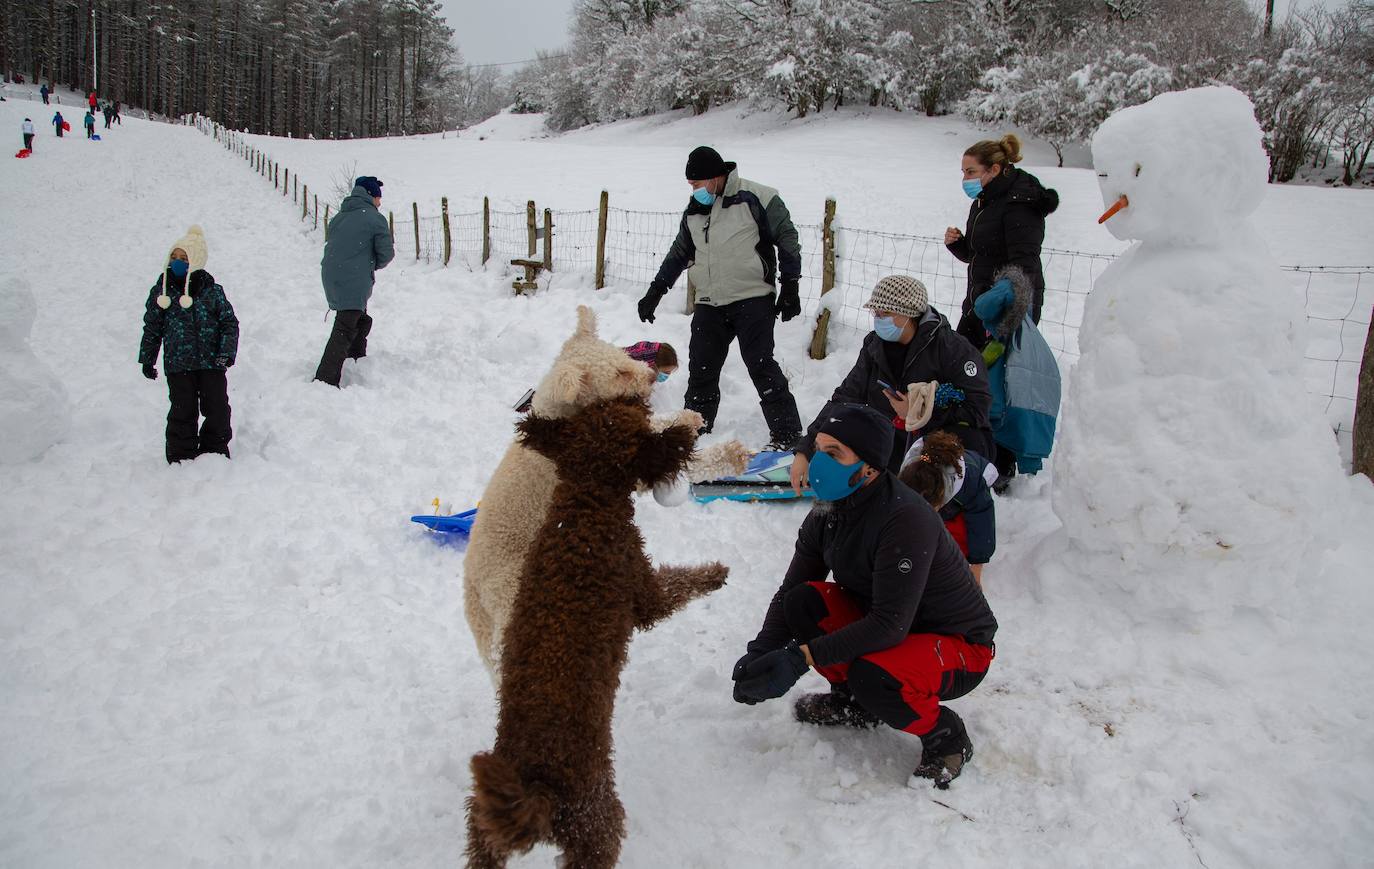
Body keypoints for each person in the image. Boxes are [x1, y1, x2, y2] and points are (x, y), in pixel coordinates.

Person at [731, 405, 997, 788]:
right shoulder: (828, 510)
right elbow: (792, 588)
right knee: (802, 603)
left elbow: (889, 625)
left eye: (834, 453)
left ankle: (944, 734)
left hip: (958, 647)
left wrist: (800, 657)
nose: (820, 462)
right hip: (893, 626)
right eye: (819, 450)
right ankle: (854, 702)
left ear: (870, 466)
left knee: (874, 676)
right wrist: (761, 651)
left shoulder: (906, 518)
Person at [639, 145, 804, 451]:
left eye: (697, 184)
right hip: (710, 301)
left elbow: (787, 237)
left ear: (716, 177)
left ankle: (788, 435)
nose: (694, 191)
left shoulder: (757, 197)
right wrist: (656, 290)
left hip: (752, 297)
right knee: (701, 366)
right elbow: (679, 253)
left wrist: (791, 284)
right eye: (690, 186)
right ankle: (691, 431)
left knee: (760, 364)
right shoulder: (694, 211)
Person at [790, 275, 993, 495]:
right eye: (875, 313)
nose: (878, 319)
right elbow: (845, 398)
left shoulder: (953, 349)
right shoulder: (875, 346)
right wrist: (806, 451)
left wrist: (919, 412)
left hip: (939, 445)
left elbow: (978, 409)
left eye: (885, 313)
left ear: (908, 313)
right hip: (893, 441)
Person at [944, 133, 1059, 350]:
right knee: (960, 367)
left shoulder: (1021, 204)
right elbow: (976, 254)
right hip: (978, 304)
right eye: (963, 173)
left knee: (992, 379)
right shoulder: (983, 201)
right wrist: (957, 243)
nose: (965, 180)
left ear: (994, 169)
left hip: (1005, 311)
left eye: (971, 172)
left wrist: (1003, 320)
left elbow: (1024, 267)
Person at [138, 226, 239, 464]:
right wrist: (147, 358)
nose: (178, 262)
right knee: (182, 410)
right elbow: (152, 326)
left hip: (211, 362)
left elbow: (229, 323)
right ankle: (181, 454)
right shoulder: (162, 292)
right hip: (178, 364)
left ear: (196, 261)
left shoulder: (212, 291)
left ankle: (214, 450)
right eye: (174, 257)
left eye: (184, 258)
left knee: (217, 407)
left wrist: (226, 353)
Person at [314, 176, 394, 387]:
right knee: (345, 326)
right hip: (353, 277)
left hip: (332, 274)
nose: (380, 202)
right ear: (370, 195)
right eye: (378, 197)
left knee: (358, 319)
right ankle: (325, 380)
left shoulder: (339, 216)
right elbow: (386, 253)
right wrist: (368, 266)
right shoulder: (375, 219)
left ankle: (355, 360)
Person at [898, 432, 997, 585]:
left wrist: (977, 565)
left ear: (941, 498)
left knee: (954, 540)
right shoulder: (910, 474)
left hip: (972, 490)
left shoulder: (970, 485)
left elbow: (982, 524)